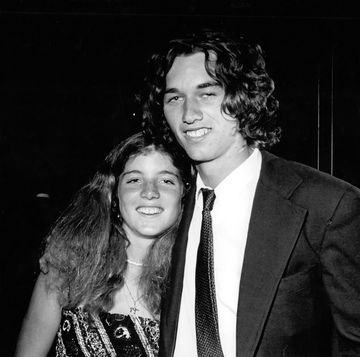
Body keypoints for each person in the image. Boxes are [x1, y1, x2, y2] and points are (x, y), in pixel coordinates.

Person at [140, 29, 360, 356]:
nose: (188, 114)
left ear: (243, 98)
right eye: (174, 98)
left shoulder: (325, 205)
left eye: (207, 93)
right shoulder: (169, 204)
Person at [15, 131, 192, 357]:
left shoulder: (193, 282)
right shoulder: (69, 268)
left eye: (166, 180)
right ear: (114, 193)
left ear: (184, 195)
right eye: (134, 179)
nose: (150, 192)